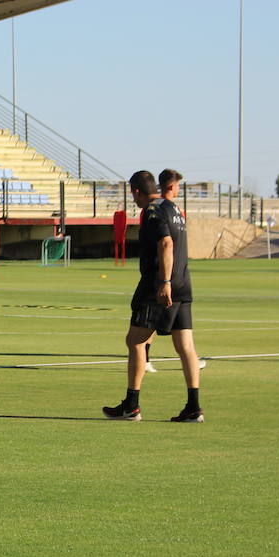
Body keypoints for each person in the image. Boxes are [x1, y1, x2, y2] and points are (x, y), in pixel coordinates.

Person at [103, 170, 203, 423]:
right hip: (184, 284)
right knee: (186, 347)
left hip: (158, 285)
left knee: (135, 341)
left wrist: (164, 282)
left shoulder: (152, 211)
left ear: (136, 191)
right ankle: (193, 407)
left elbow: (166, 243)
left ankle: (131, 405)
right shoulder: (176, 209)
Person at [144, 169, 207, 373]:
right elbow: (166, 244)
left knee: (144, 329)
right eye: (178, 185)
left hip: (170, 281)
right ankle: (193, 401)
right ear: (170, 186)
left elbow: (169, 245)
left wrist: (166, 280)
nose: (179, 189)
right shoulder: (171, 210)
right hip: (178, 281)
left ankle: (143, 362)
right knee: (148, 329)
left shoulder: (170, 210)